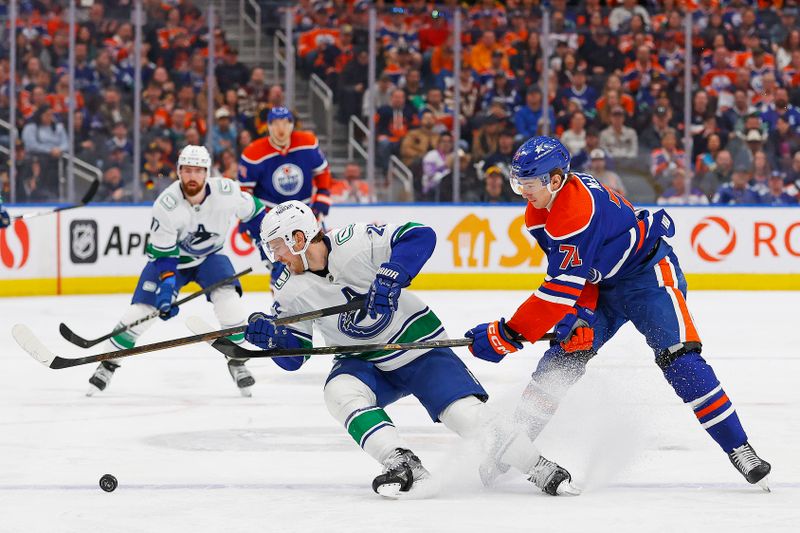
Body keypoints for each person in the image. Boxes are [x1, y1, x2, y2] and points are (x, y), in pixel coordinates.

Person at [464, 136, 772, 491]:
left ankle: (739, 447)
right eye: (519, 183)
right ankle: (511, 452)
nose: (523, 191)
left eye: (529, 183)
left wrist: (509, 334)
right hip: (602, 287)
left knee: (681, 361)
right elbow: (572, 274)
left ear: (554, 179)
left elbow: (558, 288)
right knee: (561, 361)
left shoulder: (574, 210)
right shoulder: (540, 210)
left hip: (648, 276)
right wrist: (576, 315)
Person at [244, 201, 578, 498]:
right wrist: (273, 341)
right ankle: (402, 463)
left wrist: (394, 273)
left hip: (418, 345)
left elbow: (421, 234)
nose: (276, 257)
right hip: (362, 361)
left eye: (277, 247)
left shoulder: (354, 241)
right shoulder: (287, 287)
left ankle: (540, 467)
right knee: (339, 392)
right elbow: (297, 356)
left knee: (466, 417)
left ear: (298, 239)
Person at [87, 146, 266, 397]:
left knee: (230, 305)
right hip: (173, 261)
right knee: (141, 313)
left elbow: (257, 213)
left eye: (198, 171)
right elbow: (164, 258)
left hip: (209, 257)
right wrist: (168, 287)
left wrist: (265, 244)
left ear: (207, 173)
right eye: (187, 170)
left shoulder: (227, 192)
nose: (192, 176)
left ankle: (237, 363)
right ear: (179, 172)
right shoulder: (167, 205)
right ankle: (108, 364)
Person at [238, 107, 332, 221]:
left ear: (292, 125)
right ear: (268, 126)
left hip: (304, 211)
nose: (281, 129)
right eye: (276, 124)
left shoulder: (308, 143)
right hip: (269, 215)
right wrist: (252, 216)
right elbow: (245, 190)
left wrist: (322, 199)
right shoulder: (252, 153)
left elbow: (322, 171)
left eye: (285, 123)